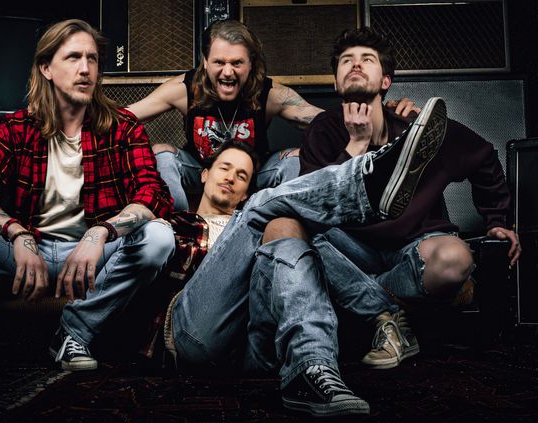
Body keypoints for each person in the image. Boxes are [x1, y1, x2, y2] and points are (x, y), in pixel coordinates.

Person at [0, 19, 175, 404]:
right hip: (24, 252)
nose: (85, 69)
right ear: (46, 68)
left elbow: (153, 193)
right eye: (73, 58)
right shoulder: (18, 128)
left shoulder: (123, 127)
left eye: (92, 59)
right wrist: (16, 233)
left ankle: (74, 332)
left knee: (160, 236)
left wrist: (99, 232)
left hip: (91, 255)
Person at [164, 104, 446, 416]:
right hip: (197, 334)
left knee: (286, 225)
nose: (231, 178)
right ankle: (365, 187)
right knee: (263, 210)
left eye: (242, 175)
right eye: (224, 168)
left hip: (258, 348)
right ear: (204, 174)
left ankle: (311, 366)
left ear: (244, 191)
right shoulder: (175, 223)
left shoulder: (262, 221)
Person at [297, 27, 521, 368]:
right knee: (293, 231)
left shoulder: (418, 128)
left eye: (366, 59)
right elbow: (313, 205)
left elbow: (484, 157)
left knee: (456, 259)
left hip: (415, 245)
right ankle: (391, 311)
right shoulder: (322, 131)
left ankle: (370, 301)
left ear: (385, 80)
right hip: (349, 251)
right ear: (336, 83)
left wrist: (497, 221)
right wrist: (355, 145)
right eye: (346, 60)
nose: (355, 64)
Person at [127, 19, 419, 210]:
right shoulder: (184, 89)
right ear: (205, 62)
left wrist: (383, 108)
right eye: (219, 62)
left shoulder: (270, 94)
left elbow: (329, 120)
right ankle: (179, 226)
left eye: (237, 63)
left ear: (250, 65)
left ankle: (287, 223)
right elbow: (124, 118)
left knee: (294, 158)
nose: (227, 72)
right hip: (200, 169)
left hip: (253, 173)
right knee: (162, 153)